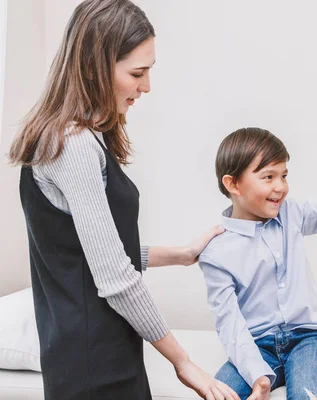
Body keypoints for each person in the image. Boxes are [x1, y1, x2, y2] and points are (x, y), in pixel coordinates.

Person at [8, 1, 239, 399]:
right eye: (137, 72)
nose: (146, 86)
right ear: (95, 67)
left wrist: (181, 254)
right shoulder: (73, 146)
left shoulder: (78, 138)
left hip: (98, 354)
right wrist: (183, 361)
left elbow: (83, 254)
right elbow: (113, 276)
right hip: (91, 367)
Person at [199, 126, 317, 399]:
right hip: (256, 345)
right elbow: (230, 325)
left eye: (284, 175)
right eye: (268, 177)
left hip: (310, 339)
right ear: (233, 184)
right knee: (219, 395)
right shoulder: (216, 252)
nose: (281, 187)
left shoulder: (291, 214)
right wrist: (258, 376)